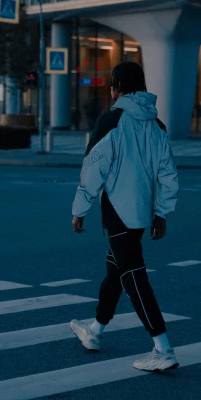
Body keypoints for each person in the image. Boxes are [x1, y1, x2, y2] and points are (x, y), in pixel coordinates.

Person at [70, 61, 180, 372]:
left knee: (133, 276)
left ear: (117, 87)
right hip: (142, 212)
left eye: (112, 85)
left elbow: (93, 170)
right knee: (115, 271)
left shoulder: (112, 120)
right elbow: (168, 174)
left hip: (117, 211)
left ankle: (163, 348)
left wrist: (79, 210)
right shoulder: (156, 124)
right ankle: (94, 331)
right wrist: (161, 214)